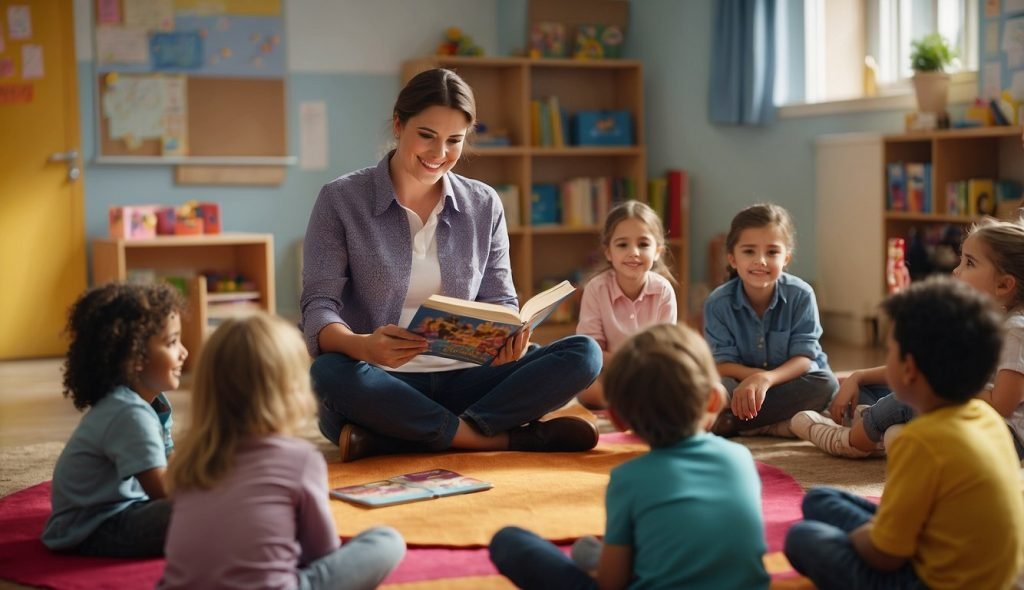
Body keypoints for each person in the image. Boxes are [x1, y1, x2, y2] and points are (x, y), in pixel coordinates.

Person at [300, 67, 602, 462]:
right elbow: (319, 305)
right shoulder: (341, 200)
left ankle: (398, 437)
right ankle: (494, 438)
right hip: (381, 379)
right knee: (328, 375)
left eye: (454, 140)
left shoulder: (484, 204)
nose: (439, 154)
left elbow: (500, 298)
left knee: (584, 354)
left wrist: (508, 337)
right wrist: (361, 346)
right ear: (398, 125)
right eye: (426, 135)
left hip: (470, 377)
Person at [784, 277, 1024, 590]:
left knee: (802, 538)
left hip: (933, 581)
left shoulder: (921, 441)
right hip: (978, 564)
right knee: (820, 499)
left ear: (908, 369)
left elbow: (885, 556)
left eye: (890, 350)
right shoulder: (986, 417)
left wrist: (858, 538)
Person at [489, 323, 770, 590]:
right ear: (714, 400)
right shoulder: (740, 458)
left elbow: (612, 583)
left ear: (617, 419)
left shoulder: (629, 479)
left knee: (510, 542)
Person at [159, 313, 406, 589]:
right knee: (386, 541)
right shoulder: (300, 459)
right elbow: (320, 552)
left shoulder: (188, 457)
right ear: (291, 390)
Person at [792, 215, 1024, 460]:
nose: (956, 271)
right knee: (888, 398)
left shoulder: (1016, 331)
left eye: (969, 263)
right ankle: (882, 429)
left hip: (1004, 440)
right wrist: (859, 377)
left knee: (911, 396)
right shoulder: (989, 320)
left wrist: (942, 385)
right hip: (976, 425)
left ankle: (850, 441)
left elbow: (1002, 405)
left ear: (1004, 285)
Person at [41, 282, 187, 557]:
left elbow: (169, 464)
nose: (184, 352)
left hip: (122, 509)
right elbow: (163, 490)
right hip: (95, 527)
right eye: (172, 342)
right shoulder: (128, 413)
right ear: (135, 357)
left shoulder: (151, 404)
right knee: (203, 507)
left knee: (210, 500)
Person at [702, 203, 837, 437]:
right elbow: (721, 364)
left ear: (786, 258)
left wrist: (765, 379)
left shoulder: (802, 295)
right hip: (740, 385)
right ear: (733, 258)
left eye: (772, 252)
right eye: (749, 251)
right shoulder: (718, 302)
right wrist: (753, 380)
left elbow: (804, 359)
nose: (761, 260)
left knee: (826, 383)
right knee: (711, 388)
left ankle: (733, 423)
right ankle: (773, 423)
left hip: (790, 381)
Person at [575, 200, 677, 409]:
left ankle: (630, 404)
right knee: (582, 386)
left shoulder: (663, 290)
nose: (634, 252)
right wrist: (626, 366)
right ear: (608, 252)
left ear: (658, 251)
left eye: (643, 244)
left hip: (650, 373)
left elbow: (665, 348)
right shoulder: (596, 289)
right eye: (623, 244)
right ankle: (630, 404)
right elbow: (591, 350)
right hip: (607, 374)